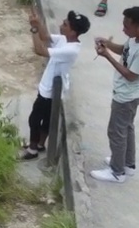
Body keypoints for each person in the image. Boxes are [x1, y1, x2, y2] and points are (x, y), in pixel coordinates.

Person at [90, 6, 139, 184]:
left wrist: (107, 56)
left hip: (127, 96)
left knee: (116, 132)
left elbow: (130, 76)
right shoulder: (135, 39)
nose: (123, 29)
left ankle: (117, 172)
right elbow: (123, 50)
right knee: (127, 128)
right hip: (128, 94)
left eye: (127, 26)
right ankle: (128, 164)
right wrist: (108, 44)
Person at [22, 9, 90, 160]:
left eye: (65, 24)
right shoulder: (65, 40)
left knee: (34, 119)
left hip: (49, 91)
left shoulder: (70, 50)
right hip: (50, 86)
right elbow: (45, 37)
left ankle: (32, 150)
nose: (61, 25)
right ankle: (40, 144)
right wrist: (39, 23)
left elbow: (40, 50)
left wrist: (33, 29)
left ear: (73, 31)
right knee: (46, 118)